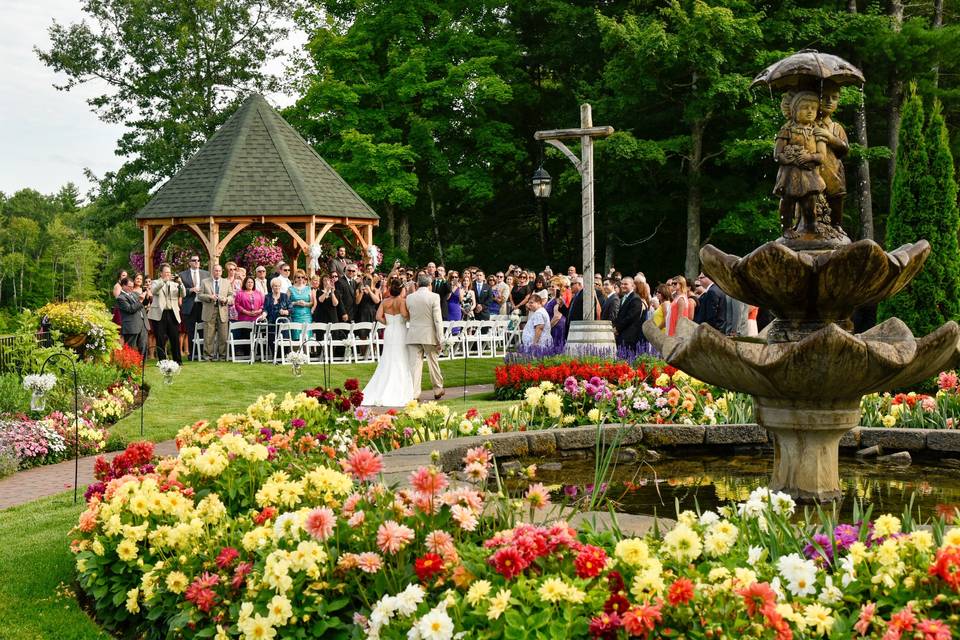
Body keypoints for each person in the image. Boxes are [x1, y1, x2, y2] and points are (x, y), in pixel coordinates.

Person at [774, 90, 828, 235]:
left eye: (813, 108)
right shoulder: (787, 130)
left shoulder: (817, 132)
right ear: (794, 110)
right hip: (790, 174)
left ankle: (811, 226)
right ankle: (786, 228)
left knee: (809, 201)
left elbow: (822, 156)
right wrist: (788, 158)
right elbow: (777, 154)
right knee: (788, 200)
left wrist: (810, 157)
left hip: (809, 173)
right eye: (805, 108)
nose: (810, 111)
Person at [361, 278, 416, 406]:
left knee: (388, 357)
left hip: (389, 331)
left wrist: (389, 323)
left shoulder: (385, 302)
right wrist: (408, 317)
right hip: (400, 331)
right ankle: (399, 388)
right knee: (401, 357)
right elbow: (403, 314)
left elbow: (378, 316)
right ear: (401, 289)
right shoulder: (402, 301)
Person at [406, 274, 445, 400]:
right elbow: (438, 320)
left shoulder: (410, 297)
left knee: (415, 366)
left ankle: (414, 393)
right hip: (429, 335)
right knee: (433, 362)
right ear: (430, 284)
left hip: (413, 334)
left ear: (417, 284)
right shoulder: (434, 296)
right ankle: (438, 389)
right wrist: (440, 338)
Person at [148, 263, 185, 363]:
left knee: (174, 337)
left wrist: (180, 283)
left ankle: (178, 361)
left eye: (169, 272)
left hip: (172, 313)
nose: (168, 274)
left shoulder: (175, 284)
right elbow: (154, 291)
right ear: (161, 273)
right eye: (166, 272)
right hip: (159, 313)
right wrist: (163, 282)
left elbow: (183, 294)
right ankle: (162, 361)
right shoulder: (155, 282)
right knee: (160, 338)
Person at [198, 264, 233, 361]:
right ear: (212, 271)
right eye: (215, 270)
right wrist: (210, 297)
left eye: (219, 271)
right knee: (208, 335)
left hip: (222, 310)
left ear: (222, 272)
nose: (217, 272)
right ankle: (208, 356)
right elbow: (200, 295)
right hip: (209, 310)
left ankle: (222, 356)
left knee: (223, 335)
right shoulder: (205, 282)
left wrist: (225, 299)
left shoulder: (226, 282)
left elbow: (231, 296)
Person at [179, 256, 209, 359]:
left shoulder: (206, 274)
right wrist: (191, 290)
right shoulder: (182, 275)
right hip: (189, 306)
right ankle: (192, 354)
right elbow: (180, 292)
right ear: (189, 262)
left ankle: (203, 354)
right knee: (191, 331)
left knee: (203, 331)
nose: (196, 262)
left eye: (198, 260)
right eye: (194, 260)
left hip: (203, 305)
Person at [116, 276, 148, 354]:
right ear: (123, 286)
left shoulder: (135, 294)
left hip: (142, 324)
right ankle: (131, 366)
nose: (131, 288)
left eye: (132, 286)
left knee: (143, 347)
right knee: (131, 350)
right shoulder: (121, 298)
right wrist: (140, 300)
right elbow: (130, 309)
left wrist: (146, 295)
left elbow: (144, 303)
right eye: (129, 286)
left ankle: (142, 366)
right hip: (131, 327)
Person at [614, 276, 646, 350]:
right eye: (621, 284)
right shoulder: (623, 298)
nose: (622, 286)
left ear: (632, 285)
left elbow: (630, 318)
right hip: (621, 335)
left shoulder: (635, 299)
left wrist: (617, 329)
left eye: (625, 284)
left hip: (629, 337)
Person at [262, 279, 290, 356]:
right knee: (272, 339)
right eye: (275, 286)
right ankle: (276, 356)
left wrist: (286, 312)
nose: (277, 287)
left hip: (283, 322)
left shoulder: (284, 296)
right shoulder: (267, 297)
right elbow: (265, 309)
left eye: (278, 286)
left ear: (280, 286)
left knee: (284, 339)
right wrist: (264, 314)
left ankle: (283, 356)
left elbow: (291, 309)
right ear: (272, 287)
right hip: (271, 322)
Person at [288, 269, 315, 340]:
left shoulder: (309, 288)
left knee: (306, 337)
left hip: (306, 316)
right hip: (295, 316)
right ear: (295, 278)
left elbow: (312, 303)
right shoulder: (290, 289)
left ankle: (307, 351)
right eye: (298, 277)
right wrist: (295, 303)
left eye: (302, 277)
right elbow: (286, 303)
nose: (300, 279)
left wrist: (305, 304)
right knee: (296, 337)